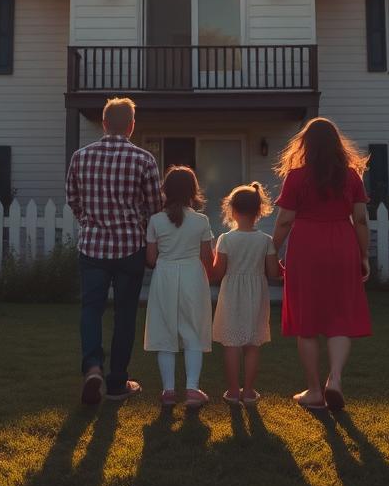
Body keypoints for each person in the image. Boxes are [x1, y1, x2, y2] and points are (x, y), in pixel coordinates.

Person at [271, 117, 371, 411]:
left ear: (306, 145)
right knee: (340, 316)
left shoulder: (297, 177)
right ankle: (335, 379)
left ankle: (314, 391)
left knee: (307, 321)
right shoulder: (352, 177)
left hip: (306, 248)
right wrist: (363, 255)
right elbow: (361, 219)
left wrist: (271, 251)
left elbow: (285, 220)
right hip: (342, 244)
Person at [67, 97, 162, 405]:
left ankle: (93, 368)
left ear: (104, 123)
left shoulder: (80, 157)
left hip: (92, 248)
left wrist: (91, 222)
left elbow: (74, 200)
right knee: (124, 316)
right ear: (132, 126)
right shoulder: (144, 159)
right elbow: (155, 207)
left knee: (91, 310)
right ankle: (118, 383)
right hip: (129, 249)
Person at [143, 165, 214, 408]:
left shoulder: (155, 221)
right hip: (193, 276)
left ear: (166, 190)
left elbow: (151, 259)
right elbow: (208, 259)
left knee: (165, 331)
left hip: (165, 275)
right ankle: (192, 388)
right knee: (193, 331)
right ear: (193, 191)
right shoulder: (201, 221)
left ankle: (168, 391)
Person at [210, 182, 279, 405]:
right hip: (256, 294)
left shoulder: (226, 239)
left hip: (231, 294)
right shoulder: (266, 241)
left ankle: (232, 391)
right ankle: (248, 391)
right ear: (259, 211)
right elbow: (273, 273)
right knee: (252, 344)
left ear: (232, 210)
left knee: (231, 344)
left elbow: (218, 273)